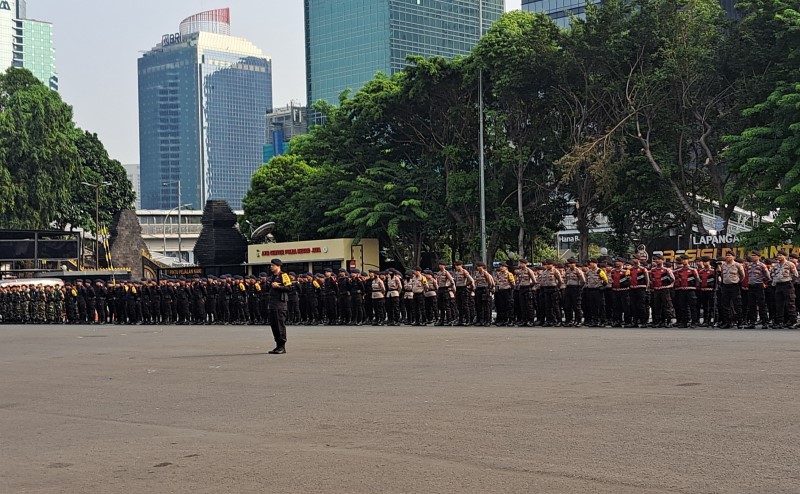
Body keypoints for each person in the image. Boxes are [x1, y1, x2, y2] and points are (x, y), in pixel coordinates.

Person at [267, 258, 293, 354]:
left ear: (278, 266)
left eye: (273, 265)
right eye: (271, 265)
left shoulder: (284, 275)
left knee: (279, 325)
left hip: (280, 304)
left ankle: (282, 346)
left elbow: (289, 288)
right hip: (272, 304)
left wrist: (278, 287)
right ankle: (277, 345)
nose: (271, 267)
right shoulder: (272, 277)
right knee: (274, 325)